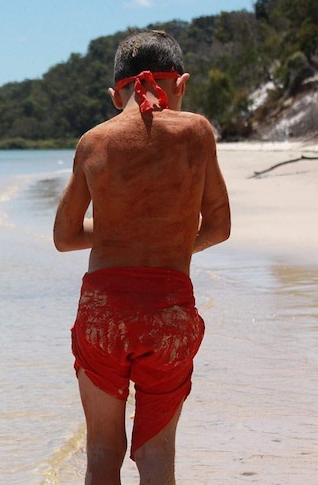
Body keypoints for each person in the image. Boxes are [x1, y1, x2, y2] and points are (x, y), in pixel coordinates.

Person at [53, 30, 231, 484]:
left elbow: (64, 236)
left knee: (100, 454)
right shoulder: (197, 132)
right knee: (157, 459)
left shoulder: (94, 142)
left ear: (118, 94)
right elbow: (218, 226)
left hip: (103, 315)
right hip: (168, 314)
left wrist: (120, 234)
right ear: (181, 85)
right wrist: (168, 241)